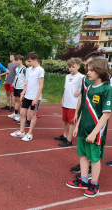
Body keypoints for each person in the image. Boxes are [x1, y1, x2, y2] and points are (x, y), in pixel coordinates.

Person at [66, 57, 112, 198]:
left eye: (91, 70)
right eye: (88, 70)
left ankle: (94, 183)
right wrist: (77, 125)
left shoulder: (107, 89)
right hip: (83, 128)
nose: (88, 73)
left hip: (95, 132)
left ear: (100, 71)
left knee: (94, 158)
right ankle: (84, 180)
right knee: (83, 155)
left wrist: (94, 133)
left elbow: (106, 115)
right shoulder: (89, 88)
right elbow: (84, 108)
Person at [69, 51, 101, 176]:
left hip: (97, 119)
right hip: (85, 116)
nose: (87, 69)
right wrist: (78, 112)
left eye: (89, 65)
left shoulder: (106, 83)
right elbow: (83, 97)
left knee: (94, 148)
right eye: (86, 66)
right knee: (83, 144)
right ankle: (85, 167)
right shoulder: (85, 79)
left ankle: (92, 174)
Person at [10, 52, 44, 141]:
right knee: (22, 113)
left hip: (34, 96)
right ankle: (21, 131)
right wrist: (23, 93)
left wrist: (36, 98)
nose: (28, 63)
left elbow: (41, 85)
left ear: (35, 60)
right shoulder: (28, 70)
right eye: (27, 61)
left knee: (32, 115)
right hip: (27, 95)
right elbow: (27, 83)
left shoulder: (40, 70)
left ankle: (30, 133)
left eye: (30, 61)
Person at [54, 58, 84, 147]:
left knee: (71, 122)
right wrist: (63, 99)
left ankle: (69, 140)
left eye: (73, 67)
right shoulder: (67, 76)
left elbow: (85, 87)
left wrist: (79, 91)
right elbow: (66, 88)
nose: (71, 68)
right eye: (70, 67)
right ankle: (65, 135)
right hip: (66, 102)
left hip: (74, 103)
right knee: (66, 120)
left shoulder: (81, 77)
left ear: (78, 67)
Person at [8, 55, 26, 121]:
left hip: (21, 87)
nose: (15, 62)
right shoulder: (17, 68)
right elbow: (16, 76)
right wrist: (13, 82)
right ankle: (16, 113)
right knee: (16, 99)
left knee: (21, 101)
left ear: (20, 60)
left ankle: (22, 116)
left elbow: (26, 78)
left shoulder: (24, 69)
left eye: (17, 60)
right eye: (15, 60)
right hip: (16, 86)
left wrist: (24, 86)